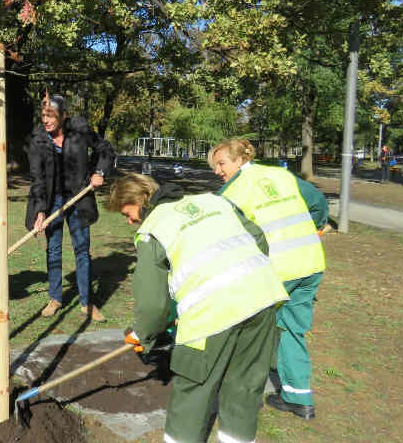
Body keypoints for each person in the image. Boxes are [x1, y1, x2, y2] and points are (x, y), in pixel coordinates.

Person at [108, 173, 288, 443]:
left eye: (127, 213)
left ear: (140, 199)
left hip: (211, 314)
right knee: (244, 385)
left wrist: (144, 335)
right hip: (262, 298)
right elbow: (258, 239)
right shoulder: (214, 201)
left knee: (194, 391)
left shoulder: (152, 230)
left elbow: (153, 305)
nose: (130, 221)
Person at [209, 138, 328, 420]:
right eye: (215, 166)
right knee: (291, 329)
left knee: (247, 330)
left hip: (277, 271)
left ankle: (239, 394)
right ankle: (299, 398)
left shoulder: (232, 191)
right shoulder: (281, 174)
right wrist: (313, 229)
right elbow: (318, 203)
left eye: (221, 163)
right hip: (310, 263)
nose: (217, 171)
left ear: (240, 159)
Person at [25, 93, 115, 322]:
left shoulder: (80, 130)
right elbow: (37, 177)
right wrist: (40, 210)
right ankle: (55, 298)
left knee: (82, 249)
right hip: (52, 199)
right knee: (53, 249)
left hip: (79, 197)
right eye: (43, 115)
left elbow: (105, 149)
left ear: (63, 116)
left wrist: (99, 172)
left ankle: (87, 302)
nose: (46, 120)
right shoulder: (38, 139)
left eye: (51, 115)